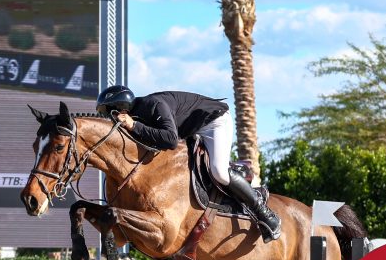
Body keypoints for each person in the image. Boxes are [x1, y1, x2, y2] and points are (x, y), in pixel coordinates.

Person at [95, 85, 281, 242]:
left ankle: (265, 213)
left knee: (219, 172)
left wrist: (134, 126)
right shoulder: (137, 116)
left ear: (121, 109)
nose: (111, 120)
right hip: (191, 130)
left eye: (110, 114)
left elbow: (170, 140)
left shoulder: (153, 105)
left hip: (213, 122)